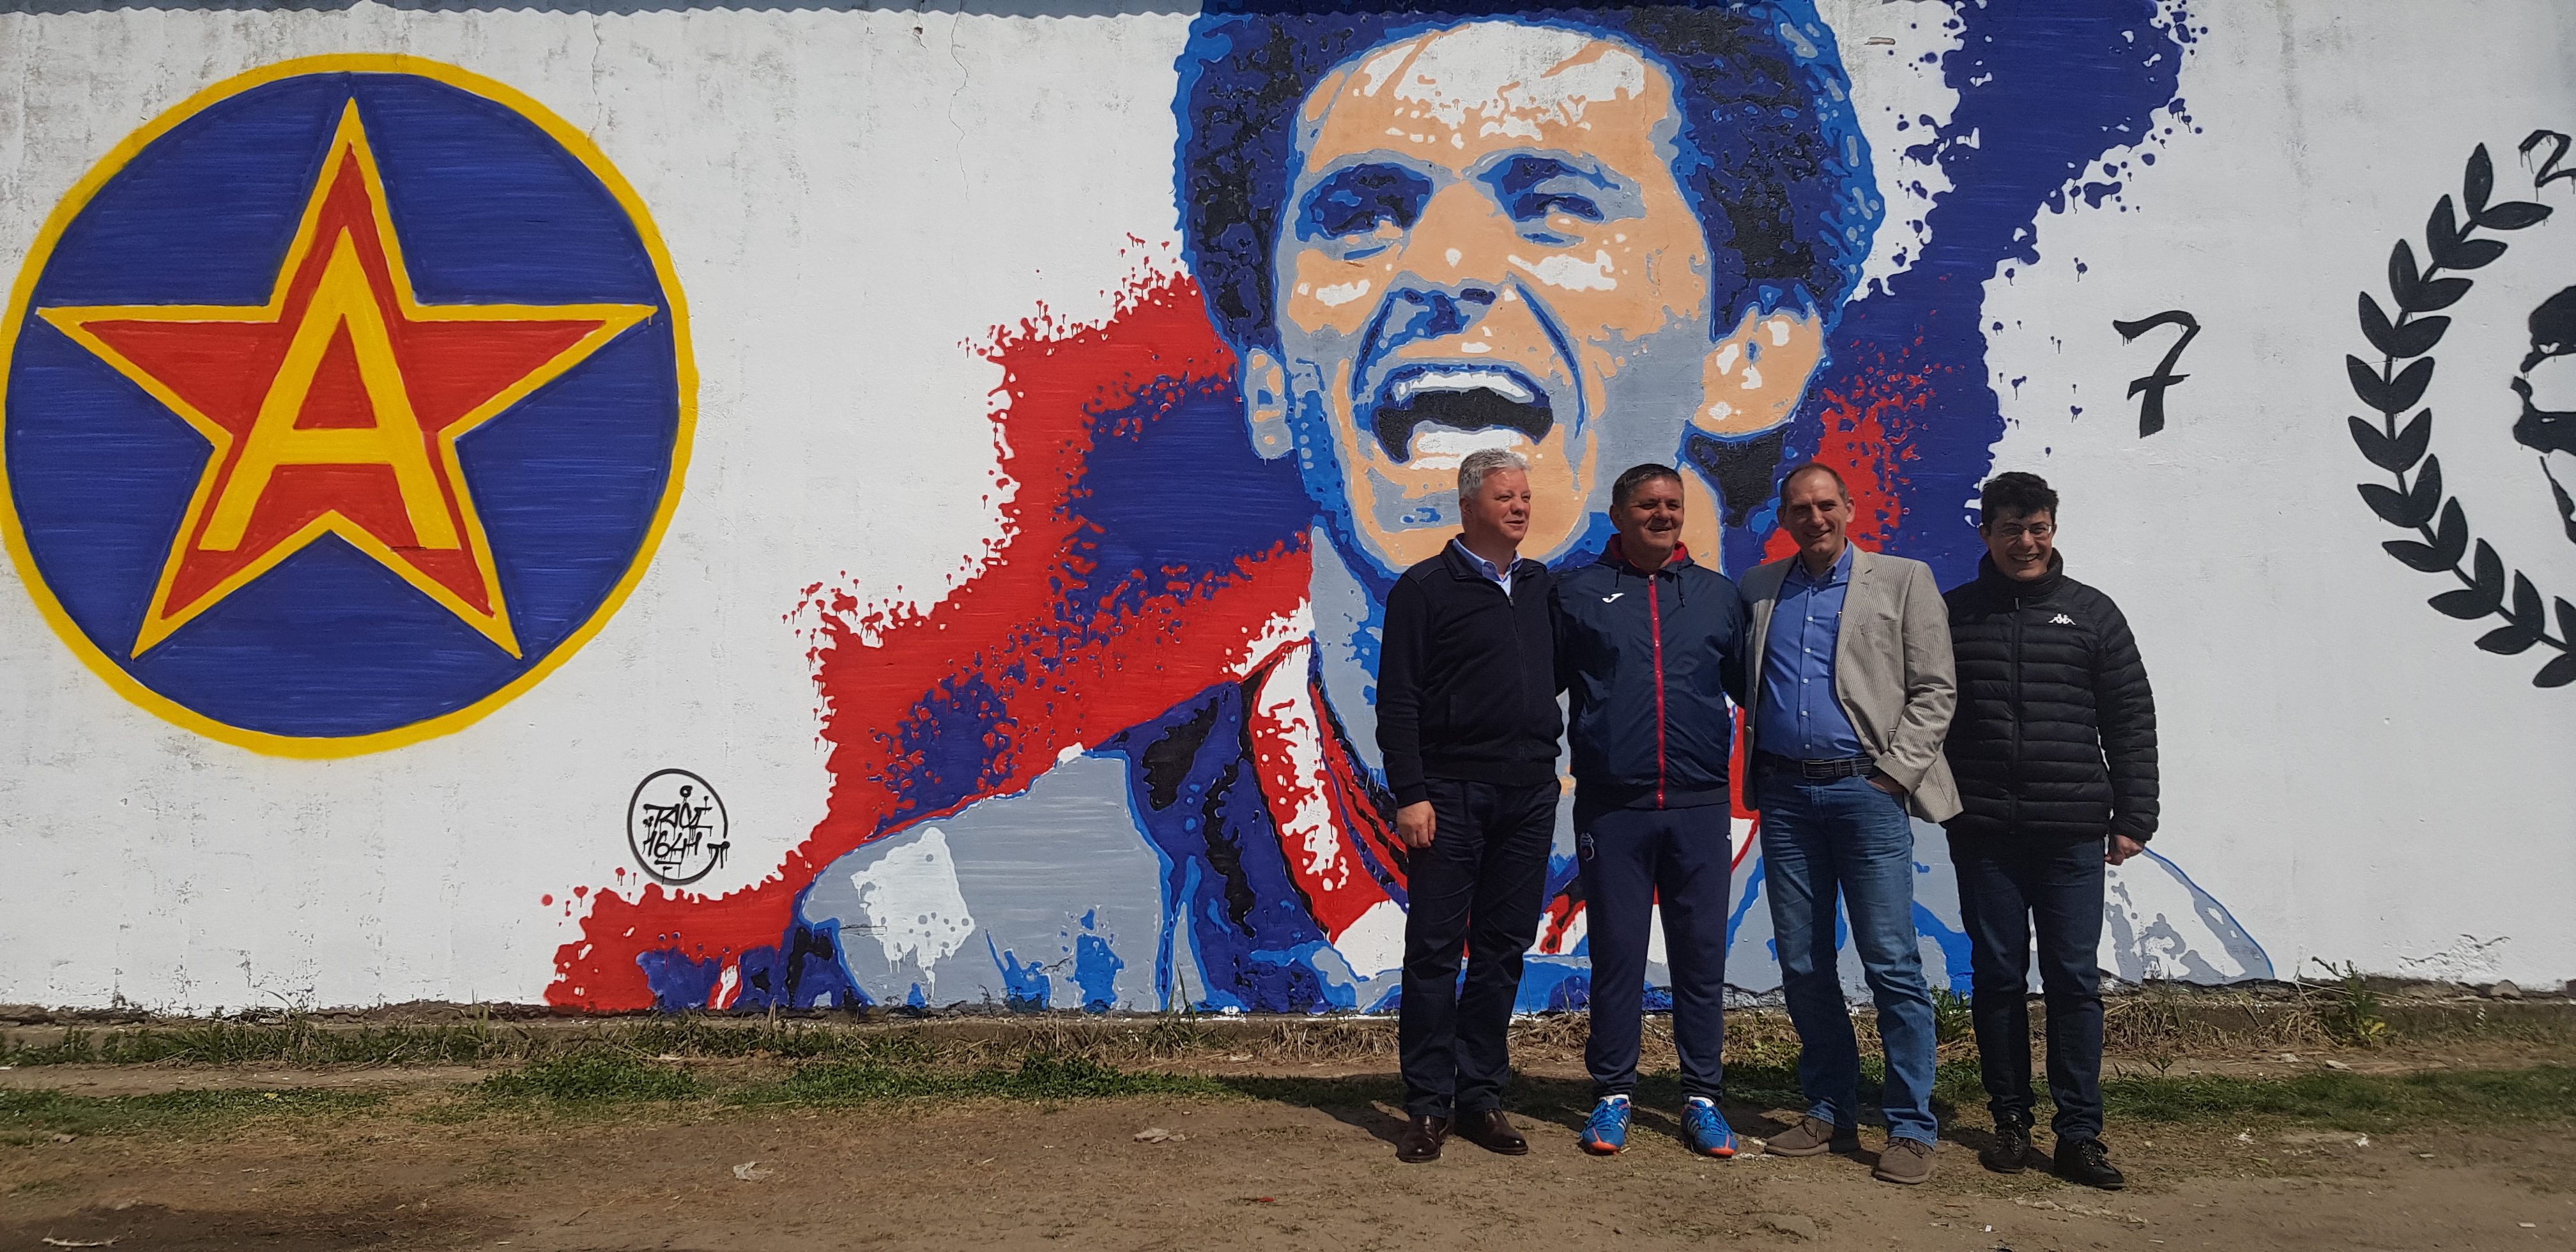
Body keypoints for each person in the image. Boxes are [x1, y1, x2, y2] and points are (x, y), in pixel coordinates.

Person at [1737, 461, 1959, 1184]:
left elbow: (1935, 689)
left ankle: (1911, 1125)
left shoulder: (1903, 580)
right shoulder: (1760, 588)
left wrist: (1894, 774)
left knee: (1890, 960)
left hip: (1867, 793)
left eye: (1826, 504)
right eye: (1800, 509)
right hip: (1787, 797)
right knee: (1803, 962)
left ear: (1850, 507)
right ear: (1784, 518)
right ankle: (1829, 1106)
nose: (1815, 518)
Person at [1941, 471, 2154, 1190]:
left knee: (2072, 980)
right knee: (1998, 977)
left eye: (2038, 528)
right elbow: (1924, 709)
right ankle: (2009, 1120)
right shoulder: (1954, 615)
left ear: (2053, 531)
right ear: (1987, 534)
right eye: (2011, 529)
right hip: (1984, 832)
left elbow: (2130, 719)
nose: (2026, 542)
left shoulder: (2093, 614)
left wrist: (2135, 817)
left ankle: (2079, 1135)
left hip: (2071, 832)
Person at [1550, 462, 1748, 1158]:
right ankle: (1612, 1094)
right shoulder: (1578, 593)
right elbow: (1540, 689)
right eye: (1647, 505)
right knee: (1617, 953)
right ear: (1619, 514)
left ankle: (1702, 1097)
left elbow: (1748, 689)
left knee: (1700, 955)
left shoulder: (1717, 596)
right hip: (1614, 809)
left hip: (1699, 804)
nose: (1662, 514)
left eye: (1672, 503)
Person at [1376, 447, 1561, 1163]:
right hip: (1448, 796)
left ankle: (1481, 1096)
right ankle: (1427, 1104)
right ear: (1468, 505)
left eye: (1525, 496)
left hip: (1529, 794)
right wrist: (1412, 793)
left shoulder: (1542, 587)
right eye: (1505, 496)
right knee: (1433, 951)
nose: (1519, 507)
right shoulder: (1424, 588)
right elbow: (1398, 700)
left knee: (1502, 949)